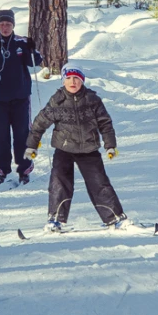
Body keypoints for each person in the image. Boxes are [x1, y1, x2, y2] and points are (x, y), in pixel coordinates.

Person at [24, 64, 127, 231]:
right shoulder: (57, 101)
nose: (73, 82)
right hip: (63, 148)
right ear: (64, 81)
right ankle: (55, 219)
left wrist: (110, 146)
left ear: (82, 81)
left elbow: (105, 124)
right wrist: (32, 146)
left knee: (99, 183)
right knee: (59, 183)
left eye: (77, 79)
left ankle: (115, 218)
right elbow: (39, 124)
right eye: (69, 78)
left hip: (89, 149)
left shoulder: (92, 100)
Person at [0, 9, 43, 184]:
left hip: (21, 97)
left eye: (8, 24)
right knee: (0, 135)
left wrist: (32, 49)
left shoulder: (22, 42)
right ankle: (1, 171)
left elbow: (36, 61)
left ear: (13, 25)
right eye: (2, 24)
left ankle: (24, 170)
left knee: (22, 134)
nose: (5, 27)